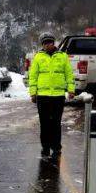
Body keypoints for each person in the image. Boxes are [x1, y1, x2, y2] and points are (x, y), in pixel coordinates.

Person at [28, 32, 75, 160]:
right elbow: (33, 76)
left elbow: (69, 74)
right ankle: (45, 147)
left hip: (58, 96)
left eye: (50, 42)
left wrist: (71, 90)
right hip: (43, 96)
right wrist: (33, 93)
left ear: (53, 43)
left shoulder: (62, 56)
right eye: (45, 43)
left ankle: (56, 147)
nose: (48, 45)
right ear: (42, 45)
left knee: (56, 123)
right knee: (44, 123)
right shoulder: (38, 57)